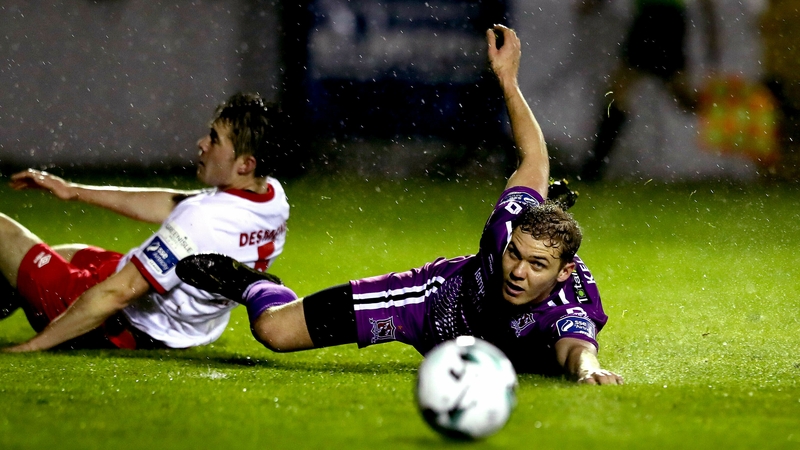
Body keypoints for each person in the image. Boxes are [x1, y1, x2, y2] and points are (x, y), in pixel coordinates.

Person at [177, 26, 623, 385]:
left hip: (478, 346)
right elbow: (534, 158)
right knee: (273, 331)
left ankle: (555, 212)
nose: (518, 271)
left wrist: (590, 372)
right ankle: (254, 285)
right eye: (515, 255)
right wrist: (508, 80)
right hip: (429, 304)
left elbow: (576, 350)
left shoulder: (572, 304)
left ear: (564, 271)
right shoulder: (509, 224)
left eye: (538, 264)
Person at [1, 92, 290, 352]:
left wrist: (31, 347)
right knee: (62, 254)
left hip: (121, 325)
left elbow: (117, 294)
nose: (202, 144)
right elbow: (171, 203)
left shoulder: (203, 221)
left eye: (214, 139)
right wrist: (73, 191)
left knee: (3, 231)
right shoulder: (272, 196)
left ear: (245, 164)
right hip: (183, 327)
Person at [579, 0, 720, 181]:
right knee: (621, 91)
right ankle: (593, 168)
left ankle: (593, 167)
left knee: (680, 96)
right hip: (656, 19)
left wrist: (712, 31)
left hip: (664, 19)